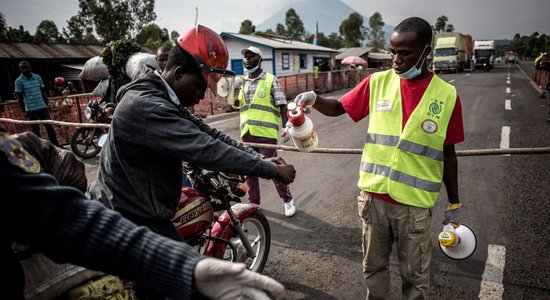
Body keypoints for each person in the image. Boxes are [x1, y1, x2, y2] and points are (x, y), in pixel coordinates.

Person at [0, 129, 285, 300]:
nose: (200, 91)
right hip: (130, 207)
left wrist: (187, 268)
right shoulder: (149, 104)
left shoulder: (6, 148)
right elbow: (205, 145)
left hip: (104, 205)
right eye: (199, 82)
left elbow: (62, 213)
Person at [294, 17, 464, 299]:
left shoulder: (447, 96)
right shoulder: (377, 82)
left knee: (416, 278)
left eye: (404, 53)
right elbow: (339, 107)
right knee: (374, 270)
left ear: (426, 52)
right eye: (392, 51)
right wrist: (314, 99)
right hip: (373, 200)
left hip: (414, 206)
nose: (395, 59)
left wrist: (455, 203)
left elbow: (449, 154)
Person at [87, 25, 296, 242]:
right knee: (190, 271)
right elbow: (208, 149)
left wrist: (260, 159)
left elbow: (209, 133)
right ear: (178, 74)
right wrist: (271, 170)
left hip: (137, 202)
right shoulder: (150, 106)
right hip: (126, 215)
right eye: (200, 86)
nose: (202, 95)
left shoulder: (163, 97)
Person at [235, 46, 297, 217]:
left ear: (259, 59)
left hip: (265, 133)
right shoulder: (241, 82)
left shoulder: (270, 79)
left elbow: (282, 103)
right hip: (246, 132)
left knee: (273, 169)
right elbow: (236, 105)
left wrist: (286, 127)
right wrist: (231, 91)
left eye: (251, 56)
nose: (247, 59)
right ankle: (254, 204)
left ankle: (287, 200)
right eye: (245, 57)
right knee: (249, 170)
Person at [15, 61, 59, 146]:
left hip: (42, 106)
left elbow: (43, 92)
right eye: (22, 69)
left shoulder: (37, 77)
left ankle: (56, 146)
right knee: (35, 129)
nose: (25, 70)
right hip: (31, 109)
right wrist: (24, 111)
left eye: (26, 68)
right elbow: (19, 98)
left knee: (49, 127)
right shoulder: (19, 81)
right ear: (20, 70)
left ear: (30, 67)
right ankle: (38, 148)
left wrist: (47, 104)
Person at [535, 52, 550, 121]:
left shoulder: (547, 64)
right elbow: (538, 67)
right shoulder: (548, 65)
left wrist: (540, 57)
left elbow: (537, 66)